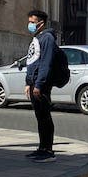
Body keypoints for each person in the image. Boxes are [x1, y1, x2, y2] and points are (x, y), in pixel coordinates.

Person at [25, 10, 57, 163]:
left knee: (44, 116)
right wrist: (28, 83)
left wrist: (38, 84)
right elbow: (31, 61)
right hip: (34, 83)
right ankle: (41, 148)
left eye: (33, 22)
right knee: (40, 116)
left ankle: (48, 150)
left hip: (41, 85)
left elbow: (45, 63)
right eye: (29, 21)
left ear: (41, 23)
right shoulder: (37, 38)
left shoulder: (48, 38)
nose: (30, 24)